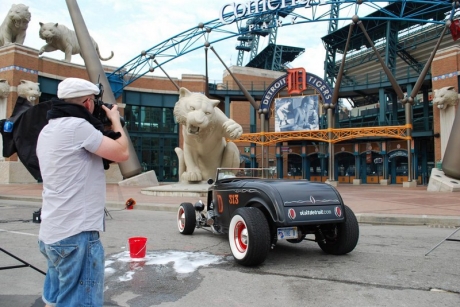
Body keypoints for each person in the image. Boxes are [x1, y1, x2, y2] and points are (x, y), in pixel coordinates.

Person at [36, 78, 129, 307]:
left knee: (54, 299)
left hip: (52, 233)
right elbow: (122, 152)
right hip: (76, 236)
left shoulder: (48, 130)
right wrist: (116, 121)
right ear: (87, 103)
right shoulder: (77, 127)